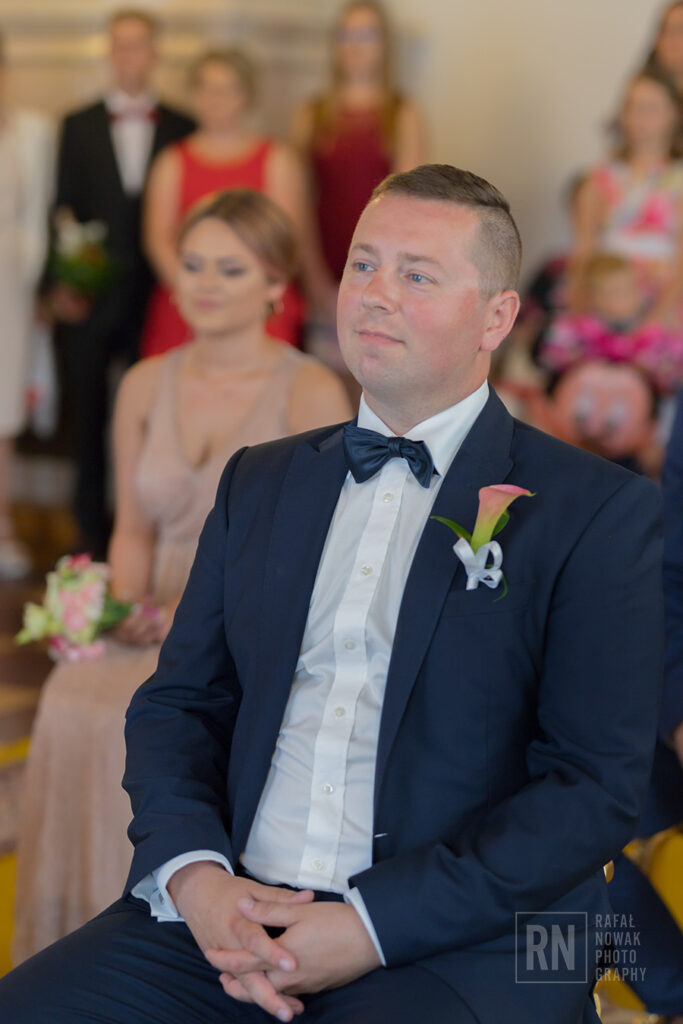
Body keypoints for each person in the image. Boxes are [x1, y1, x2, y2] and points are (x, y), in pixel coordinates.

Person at [0, 164, 663, 1024]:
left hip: (443, 940)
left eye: (416, 276)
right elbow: (176, 704)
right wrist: (197, 878)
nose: (375, 295)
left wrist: (369, 926)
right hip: (224, 912)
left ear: (495, 317)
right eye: (362, 265)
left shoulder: (595, 510)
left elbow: (591, 786)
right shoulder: (260, 481)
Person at [11, 189, 351, 964]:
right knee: (73, 695)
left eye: (229, 269)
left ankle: (160, 941)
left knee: (138, 713)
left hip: (252, 617)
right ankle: (77, 946)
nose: (203, 283)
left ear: (275, 284)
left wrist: (187, 621)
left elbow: (310, 554)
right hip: (154, 601)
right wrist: (123, 608)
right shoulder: (143, 383)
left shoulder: (310, 391)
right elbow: (132, 528)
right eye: (193, 265)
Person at [50, 9, 193, 558]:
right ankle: (89, 529)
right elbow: (61, 207)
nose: (130, 55)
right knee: (87, 410)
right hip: (92, 292)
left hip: (157, 294)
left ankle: (147, 524)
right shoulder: (78, 124)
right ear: (110, 53)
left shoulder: (181, 124)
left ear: (155, 52)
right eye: (120, 45)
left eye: (139, 45)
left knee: (153, 411)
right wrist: (62, 282)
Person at [141, 49, 321, 357]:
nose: (215, 99)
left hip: (260, 307)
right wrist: (197, 291)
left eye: (226, 90)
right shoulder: (171, 162)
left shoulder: (278, 160)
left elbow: (286, 241)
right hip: (187, 304)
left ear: (246, 96)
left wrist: (243, 294)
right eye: (206, 88)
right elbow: (158, 240)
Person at [290, 1, 426, 371]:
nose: (354, 45)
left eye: (366, 35)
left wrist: (378, 277)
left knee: (374, 371)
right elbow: (298, 202)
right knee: (321, 375)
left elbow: (405, 208)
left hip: (381, 262)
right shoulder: (311, 114)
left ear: (384, 44)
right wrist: (314, 277)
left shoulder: (402, 114)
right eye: (346, 35)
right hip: (322, 256)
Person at [0, 33, 55, 578]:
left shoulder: (31, 131)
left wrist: (37, 285)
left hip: (7, 288)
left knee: (3, 408)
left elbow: (38, 215)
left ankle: (2, 525)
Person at [572, 69, 683, 328]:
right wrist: (580, 307)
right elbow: (584, 250)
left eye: (650, 108)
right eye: (631, 107)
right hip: (605, 296)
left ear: (675, 114)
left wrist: (658, 317)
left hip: (665, 303)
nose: (638, 118)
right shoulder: (599, 180)